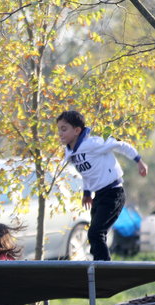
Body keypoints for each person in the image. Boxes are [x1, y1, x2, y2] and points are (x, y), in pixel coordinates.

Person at [57, 110, 148, 261]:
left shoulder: (93, 143)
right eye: (59, 129)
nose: (60, 133)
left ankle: (104, 268)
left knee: (95, 232)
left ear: (77, 130)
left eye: (64, 129)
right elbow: (87, 173)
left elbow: (120, 144)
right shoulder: (70, 153)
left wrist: (139, 161)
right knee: (95, 234)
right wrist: (87, 193)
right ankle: (98, 265)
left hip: (114, 193)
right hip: (99, 195)